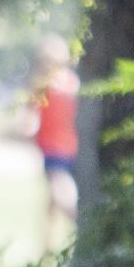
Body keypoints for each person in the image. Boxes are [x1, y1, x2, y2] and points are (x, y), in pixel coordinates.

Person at [29, 34, 79, 253]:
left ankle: (46, 250)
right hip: (52, 149)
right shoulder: (41, 85)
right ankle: (79, 228)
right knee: (61, 193)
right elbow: (30, 118)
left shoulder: (72, 82)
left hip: (72, 147)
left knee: (53, 203)